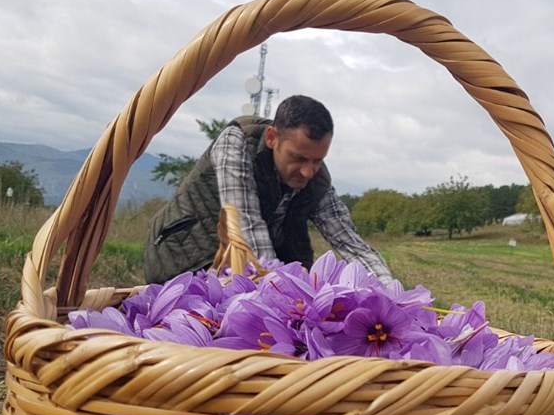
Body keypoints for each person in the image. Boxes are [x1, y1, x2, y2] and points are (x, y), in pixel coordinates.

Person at [144, 95, 392, 285]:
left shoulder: (317, 179)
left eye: (318, 160)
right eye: (298, 158)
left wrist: (393, 298)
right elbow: (246, 223)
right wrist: (281, 294)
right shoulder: (237, 142)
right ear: (272, 137)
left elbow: (350, 243)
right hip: (183, 262)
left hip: (240, 278)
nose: (308, 171)